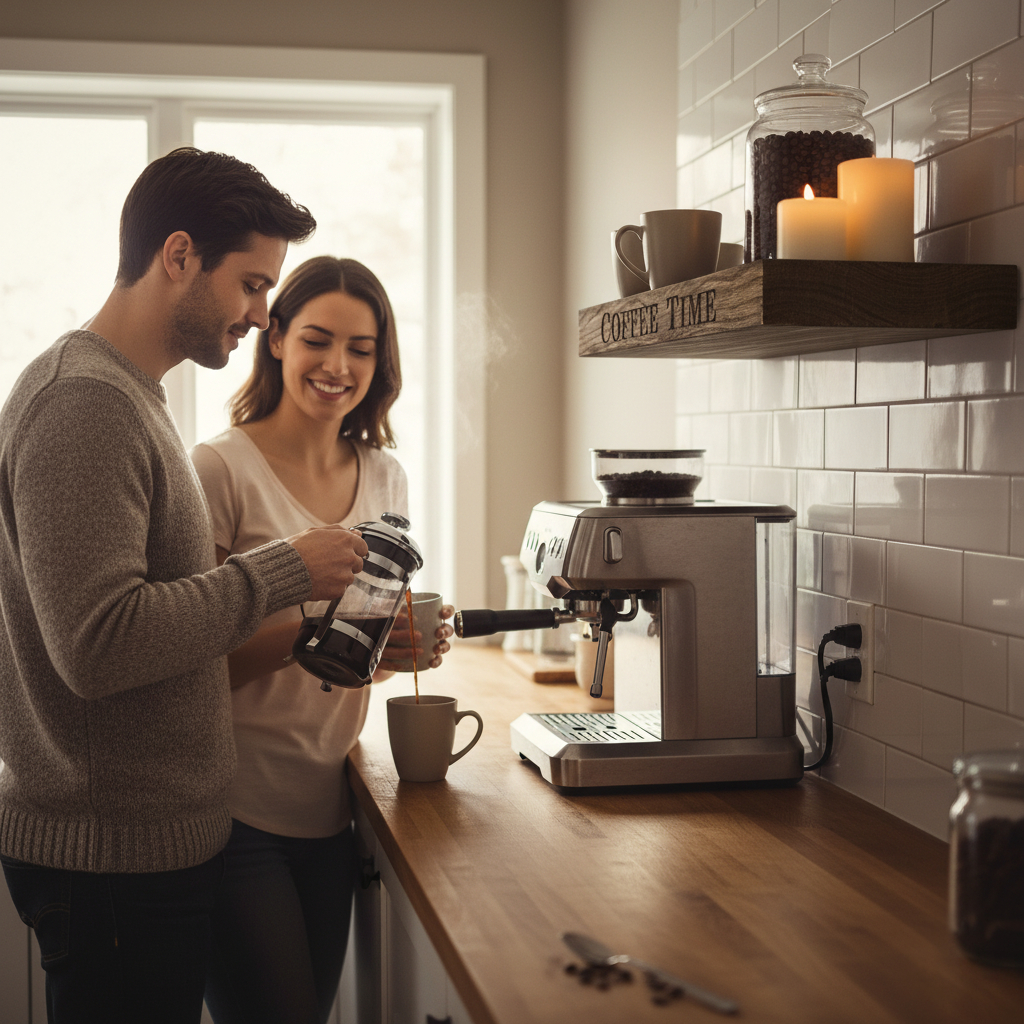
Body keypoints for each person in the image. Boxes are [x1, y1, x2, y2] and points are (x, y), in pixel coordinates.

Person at [0, 148, 373, 1024]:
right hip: (109, 859)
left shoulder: (128, 396)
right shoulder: (81, 403)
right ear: (178, 257)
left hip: (138, 849)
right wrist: (288, 567)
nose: (259, 315)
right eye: (251, 285)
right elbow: (99, 644)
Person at [190, 255, 452, 1024]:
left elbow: (347, 663)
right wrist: (318, 629)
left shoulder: (386, 477)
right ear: (275, 339)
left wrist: (391, 649)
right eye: (317, 340)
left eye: (361, 348)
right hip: (233, 813)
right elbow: (192, 664)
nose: (338, 366)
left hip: (331, 810)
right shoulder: (220, 469)